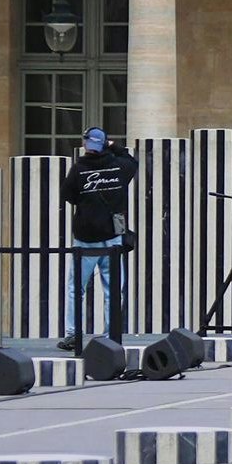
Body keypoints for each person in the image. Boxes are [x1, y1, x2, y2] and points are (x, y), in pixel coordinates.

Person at [64, 128, 137, 341]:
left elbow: (67, 195)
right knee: (113, 289)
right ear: (105, 145)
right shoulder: (119, 167)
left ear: (86, 145)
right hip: (113, 235)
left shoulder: (78, 169)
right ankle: (111, 335)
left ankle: (73, 333)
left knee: (76, 288)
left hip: (85, 236)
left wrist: (88, 202)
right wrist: (116, 147)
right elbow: (133, 162)